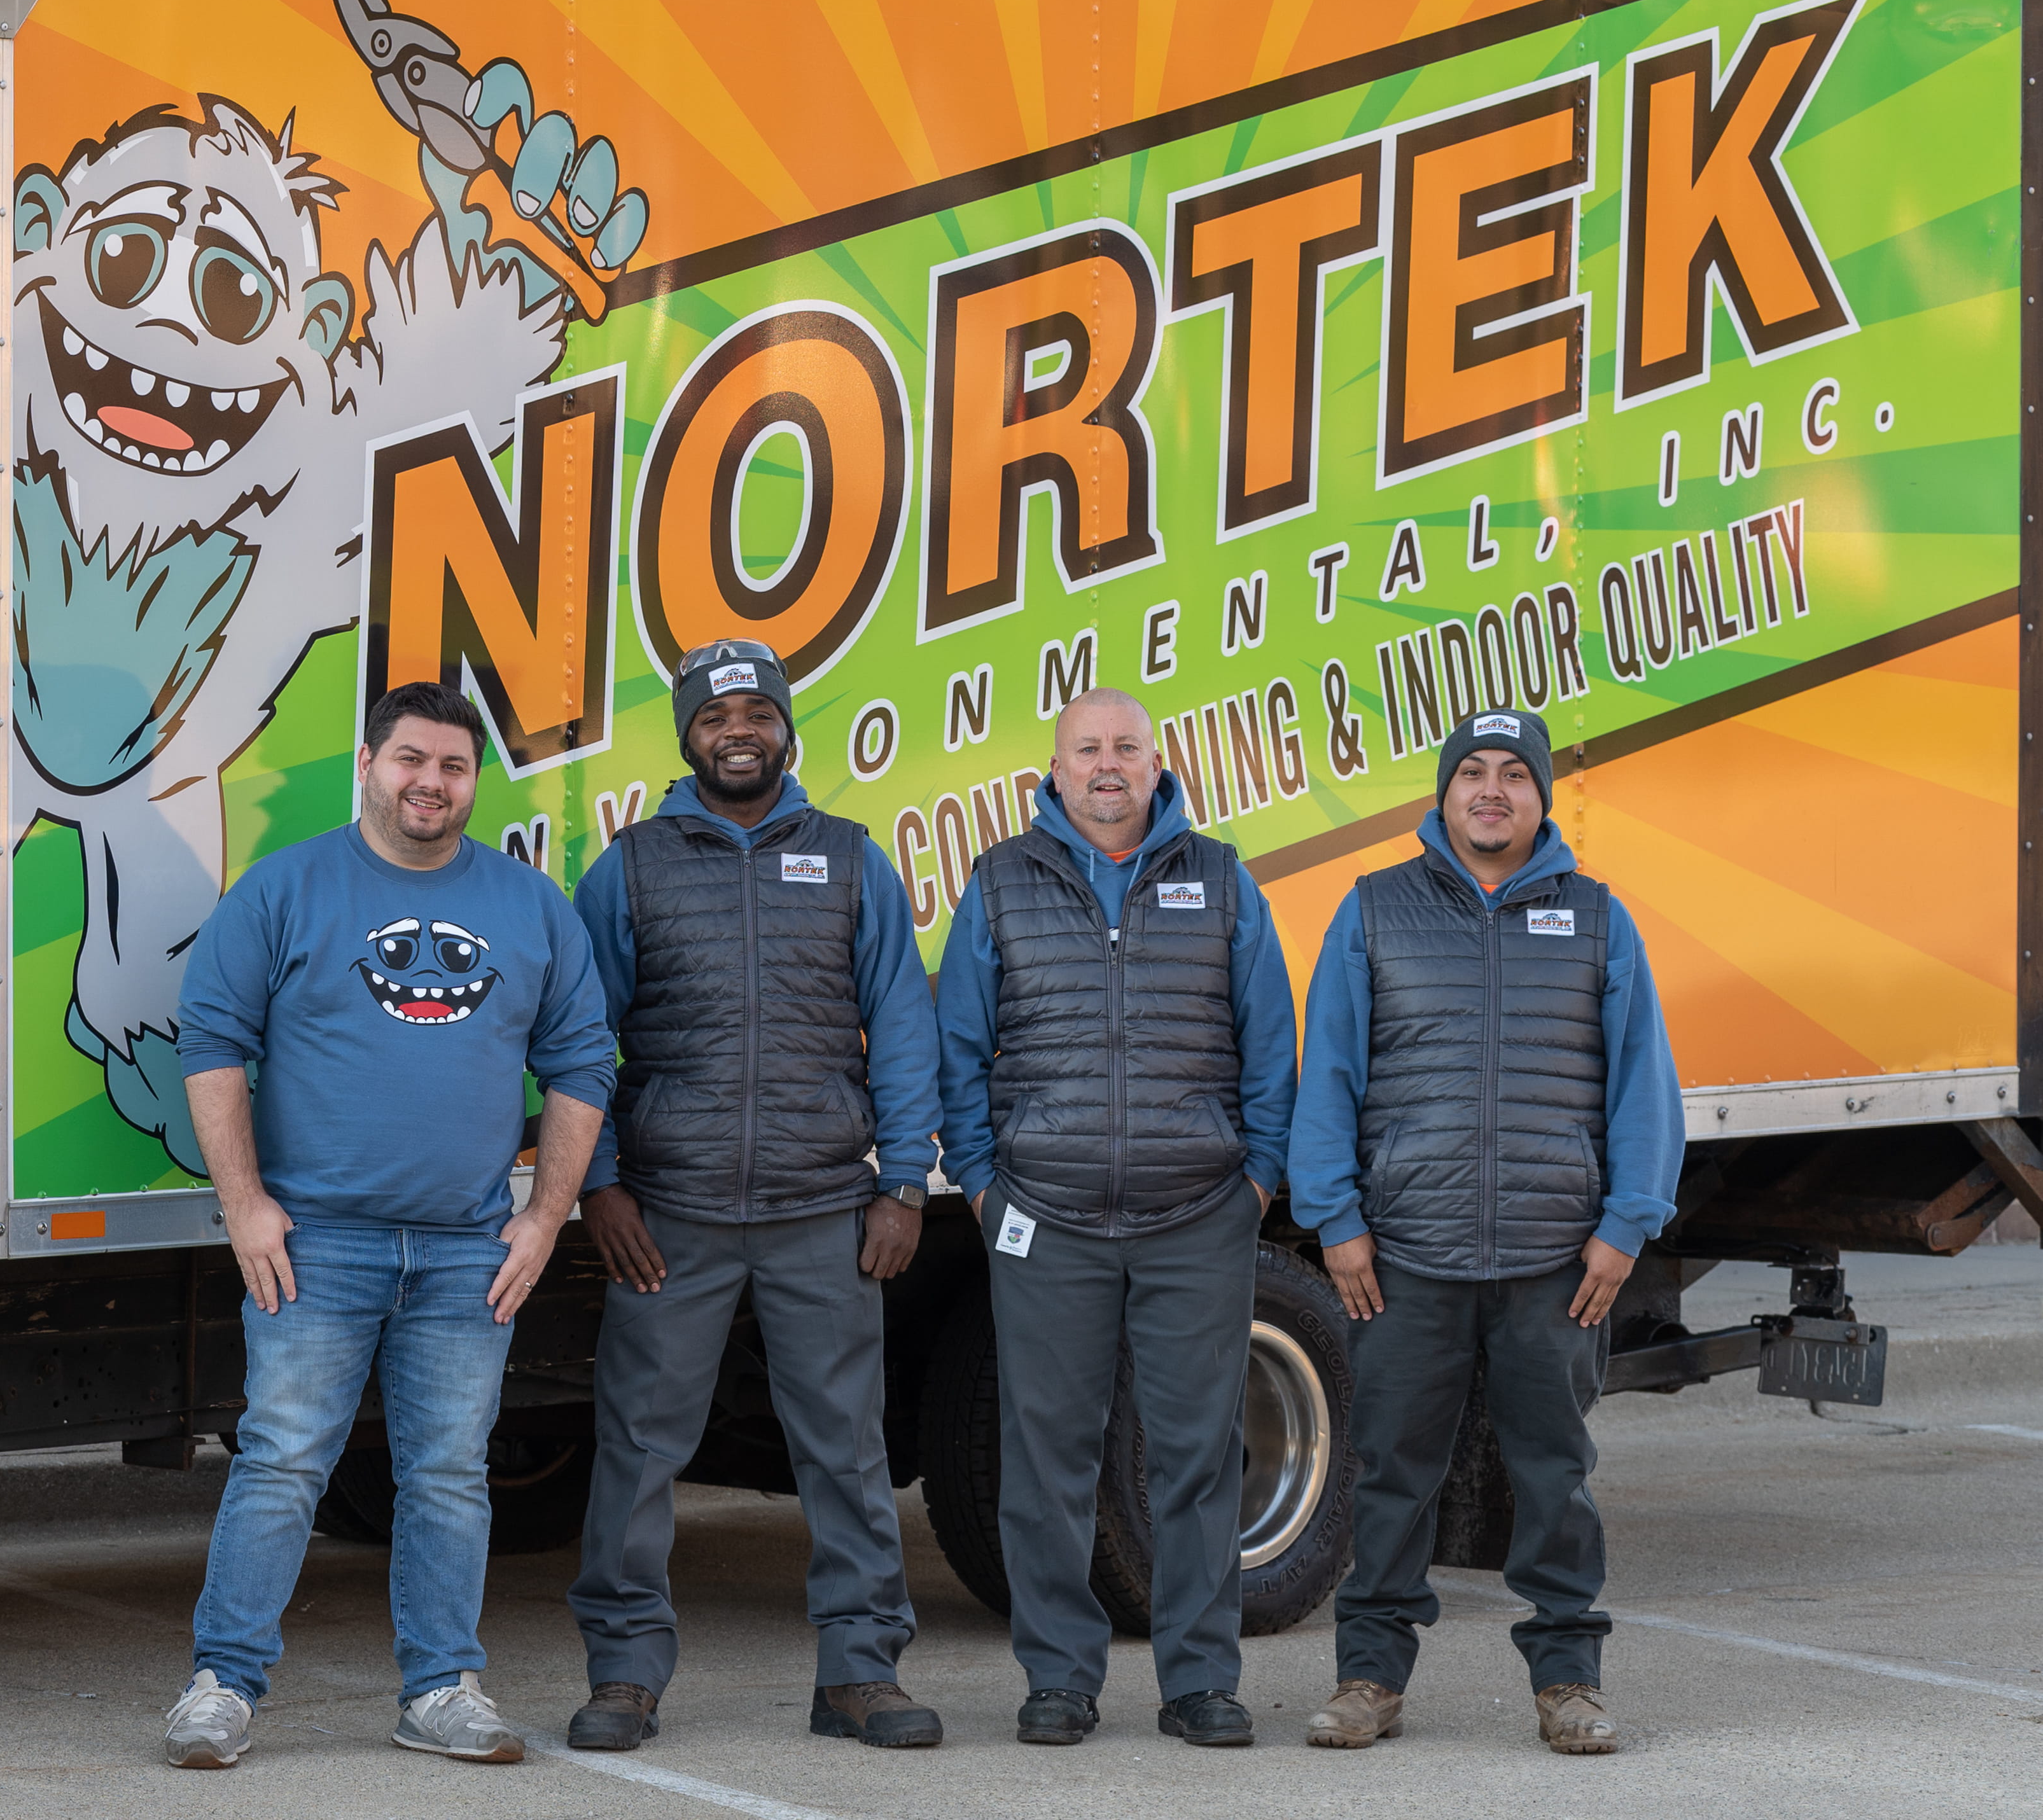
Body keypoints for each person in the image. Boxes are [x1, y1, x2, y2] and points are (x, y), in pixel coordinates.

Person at [160, 679, 617, 1770]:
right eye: (412, 760)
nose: (432, 783)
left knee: (452, 1472)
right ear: (367, 765)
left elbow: (581, 1061)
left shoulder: (528, 906)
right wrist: (246, 1207)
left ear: (473, 782)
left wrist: (546, 1218)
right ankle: (222, 1687)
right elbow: (212, 1042)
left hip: (468, 1249)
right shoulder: (288, 890)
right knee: (281, 1463)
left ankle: (442, 1692)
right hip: (317, 1242)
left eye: (454, 767)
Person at [558, 639, 945, 1754]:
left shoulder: (853, 859)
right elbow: (585, 1042)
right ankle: (625, 1674)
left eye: (757, 711)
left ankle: (860, 1674)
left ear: (785, 728)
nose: (739, 728)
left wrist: (903, 1184)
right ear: (687, 735)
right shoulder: (628, 868)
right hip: (669, 1215)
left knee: (847, 1451)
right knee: (639, 1446)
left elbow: (903, 1029)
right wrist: (604, 1187)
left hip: (823, 1207)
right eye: (716, 712)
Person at [1290, 708, 1679, 1758]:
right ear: (1445, 792)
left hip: (1556, 1262)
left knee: (1554, 1476)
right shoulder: (1374, 912)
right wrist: (1335, 1219)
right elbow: (1326, 1074)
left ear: (1543, 796)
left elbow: (1647, 1087)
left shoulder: (1598, 921)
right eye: (1474, 772)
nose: (1493, 790)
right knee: (1392, 1472)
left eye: (1515, 773)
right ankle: (1369, 1677)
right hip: (1405, 1254)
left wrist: (1624, 1228)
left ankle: (1569, 1681)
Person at [931, 686, 1296, 1749]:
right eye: (1087, 748)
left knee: (1196, 1457)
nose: (1107, 765)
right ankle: (1058, 1679)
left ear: (1157, 762)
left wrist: (1256, 1185)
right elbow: (960, 1047)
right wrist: (986, 1183)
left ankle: (1200, 1683)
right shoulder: (1003, 882)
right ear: (1053, 770)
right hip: (1043, 1216)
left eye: (1125, 747)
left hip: (1198, 1216)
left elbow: (1269, 1045)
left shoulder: (1221, 881)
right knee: (1046, 1460)